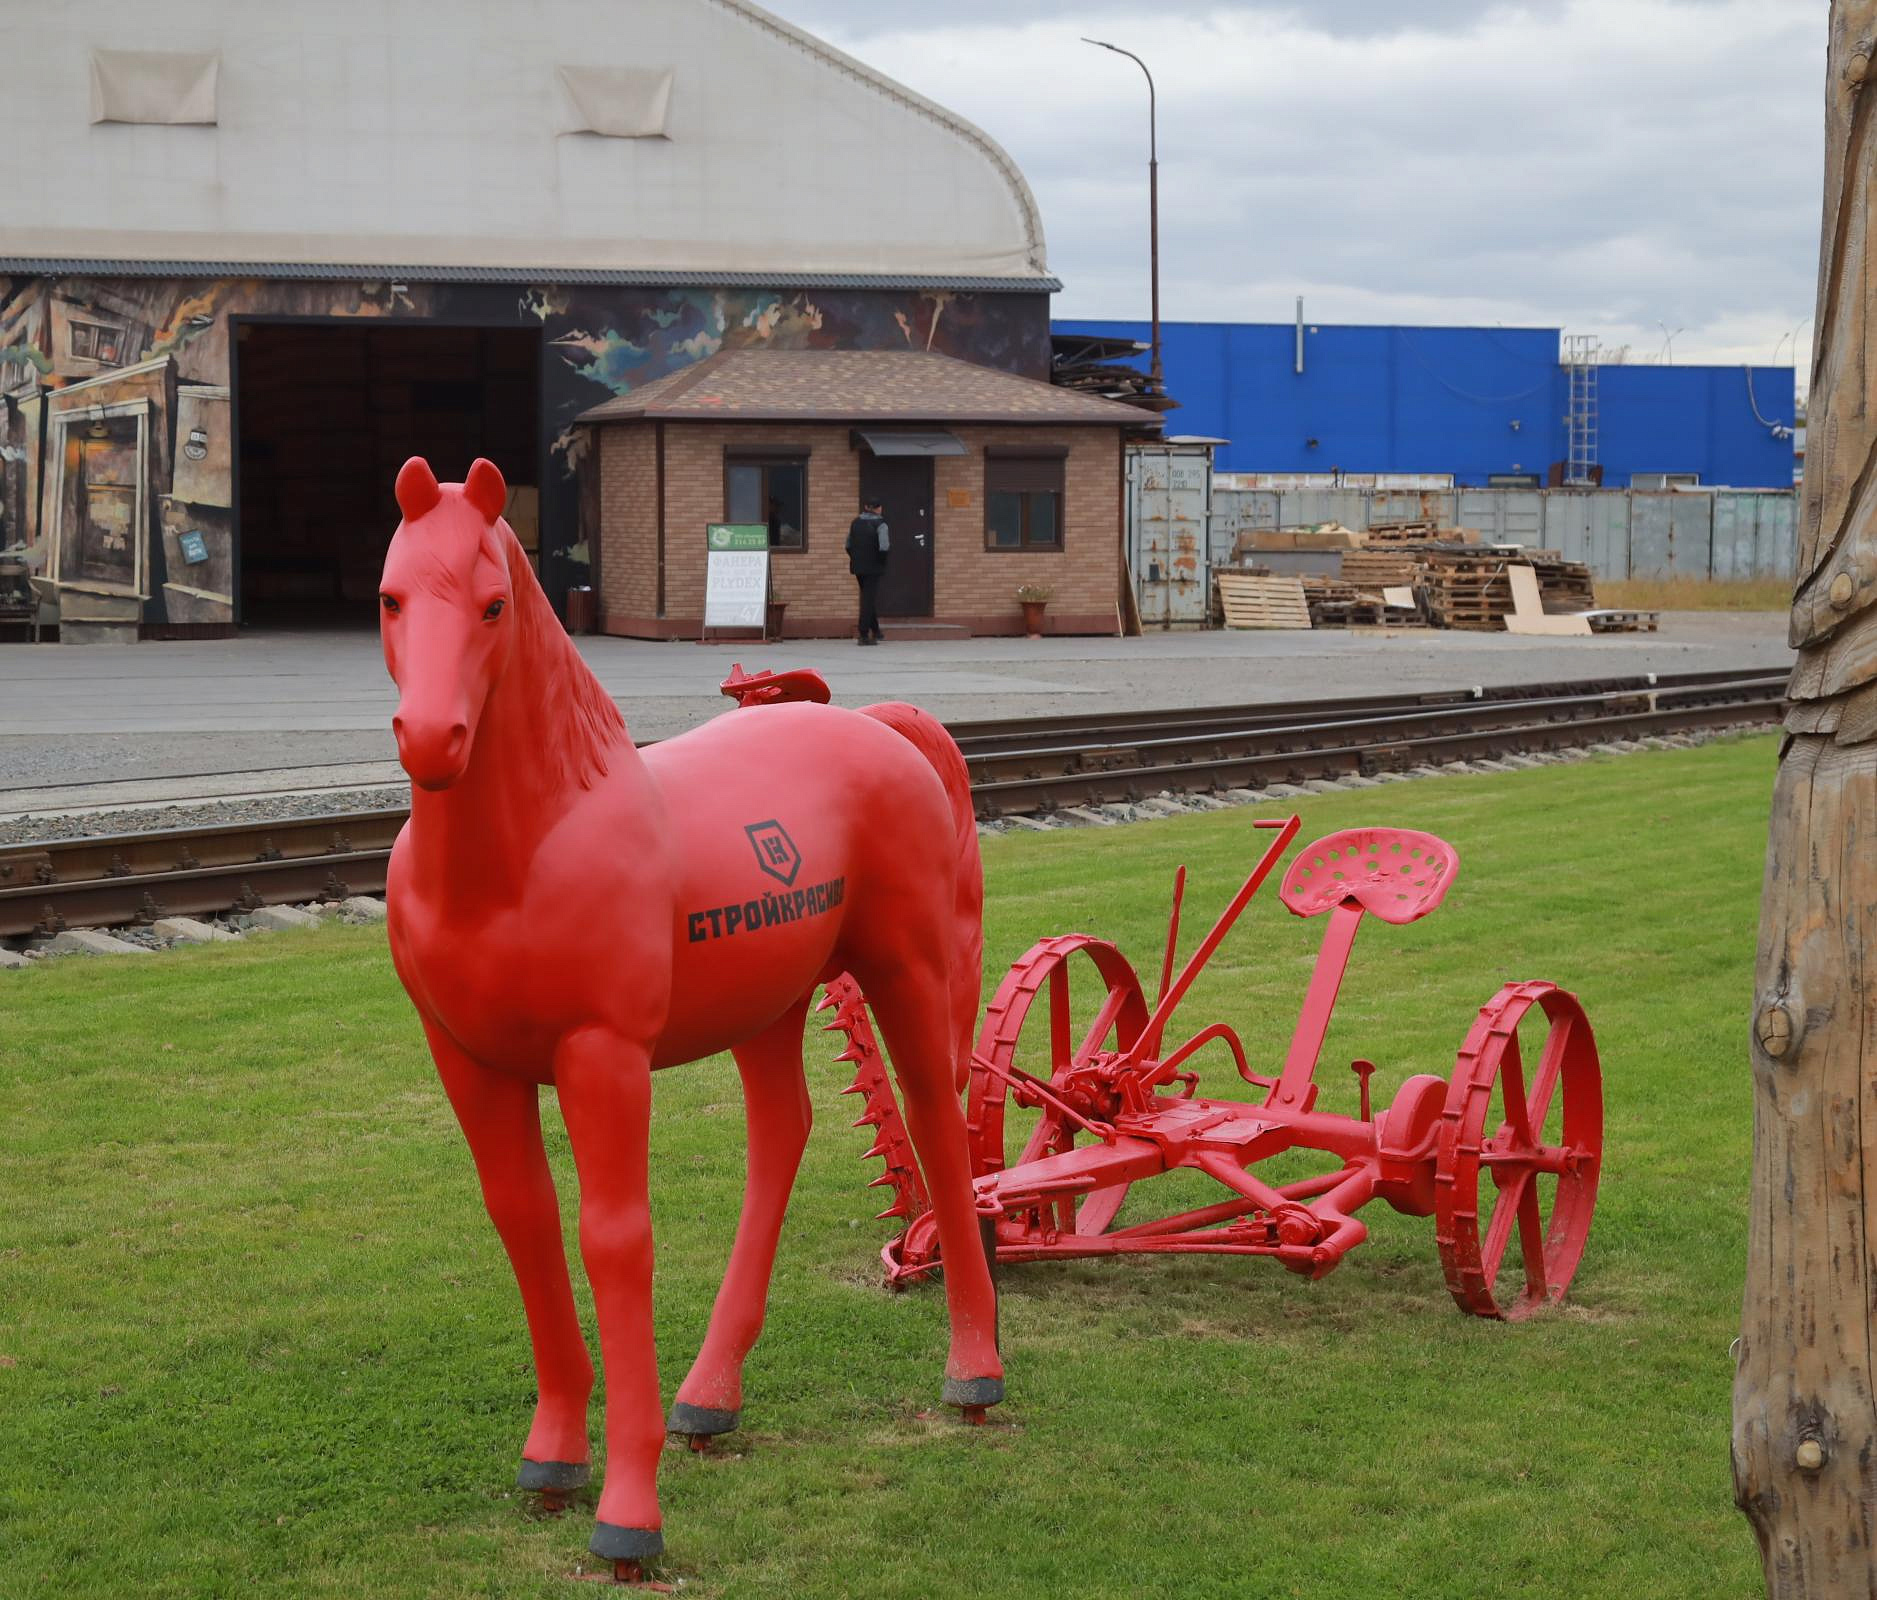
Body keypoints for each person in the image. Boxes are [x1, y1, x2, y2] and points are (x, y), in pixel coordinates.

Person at [845, 496, 889, 645]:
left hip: (858, 566)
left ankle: (876, 631)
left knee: (867, 597)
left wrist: (857, 558)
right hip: (873, 567)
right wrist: (881, 562)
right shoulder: (881, 524)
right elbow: (884, 547)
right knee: (867, 599)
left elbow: (848, 545)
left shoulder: (855, 523)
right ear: (878, 508)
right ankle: (863, 634)